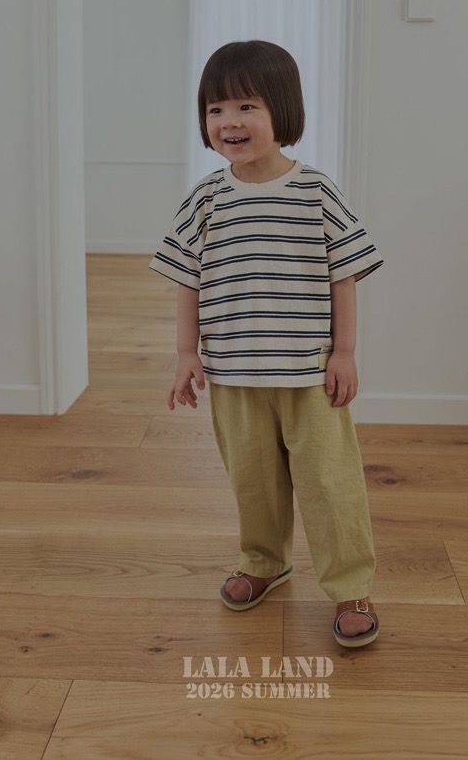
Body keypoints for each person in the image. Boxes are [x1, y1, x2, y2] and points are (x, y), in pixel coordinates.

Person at [150, 40, 384, 647]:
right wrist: (185, 354)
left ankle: (350, 584)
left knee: (329, 483)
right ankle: (264, 561)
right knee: (252, 480)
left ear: (283, 110)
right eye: (216, 109)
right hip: (234, 372)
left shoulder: (316, 192)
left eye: (246, 106)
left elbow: (344, 275)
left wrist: (344, 352)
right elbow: (186, 279)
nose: (229, 122)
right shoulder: (206, 198)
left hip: (309, 373)